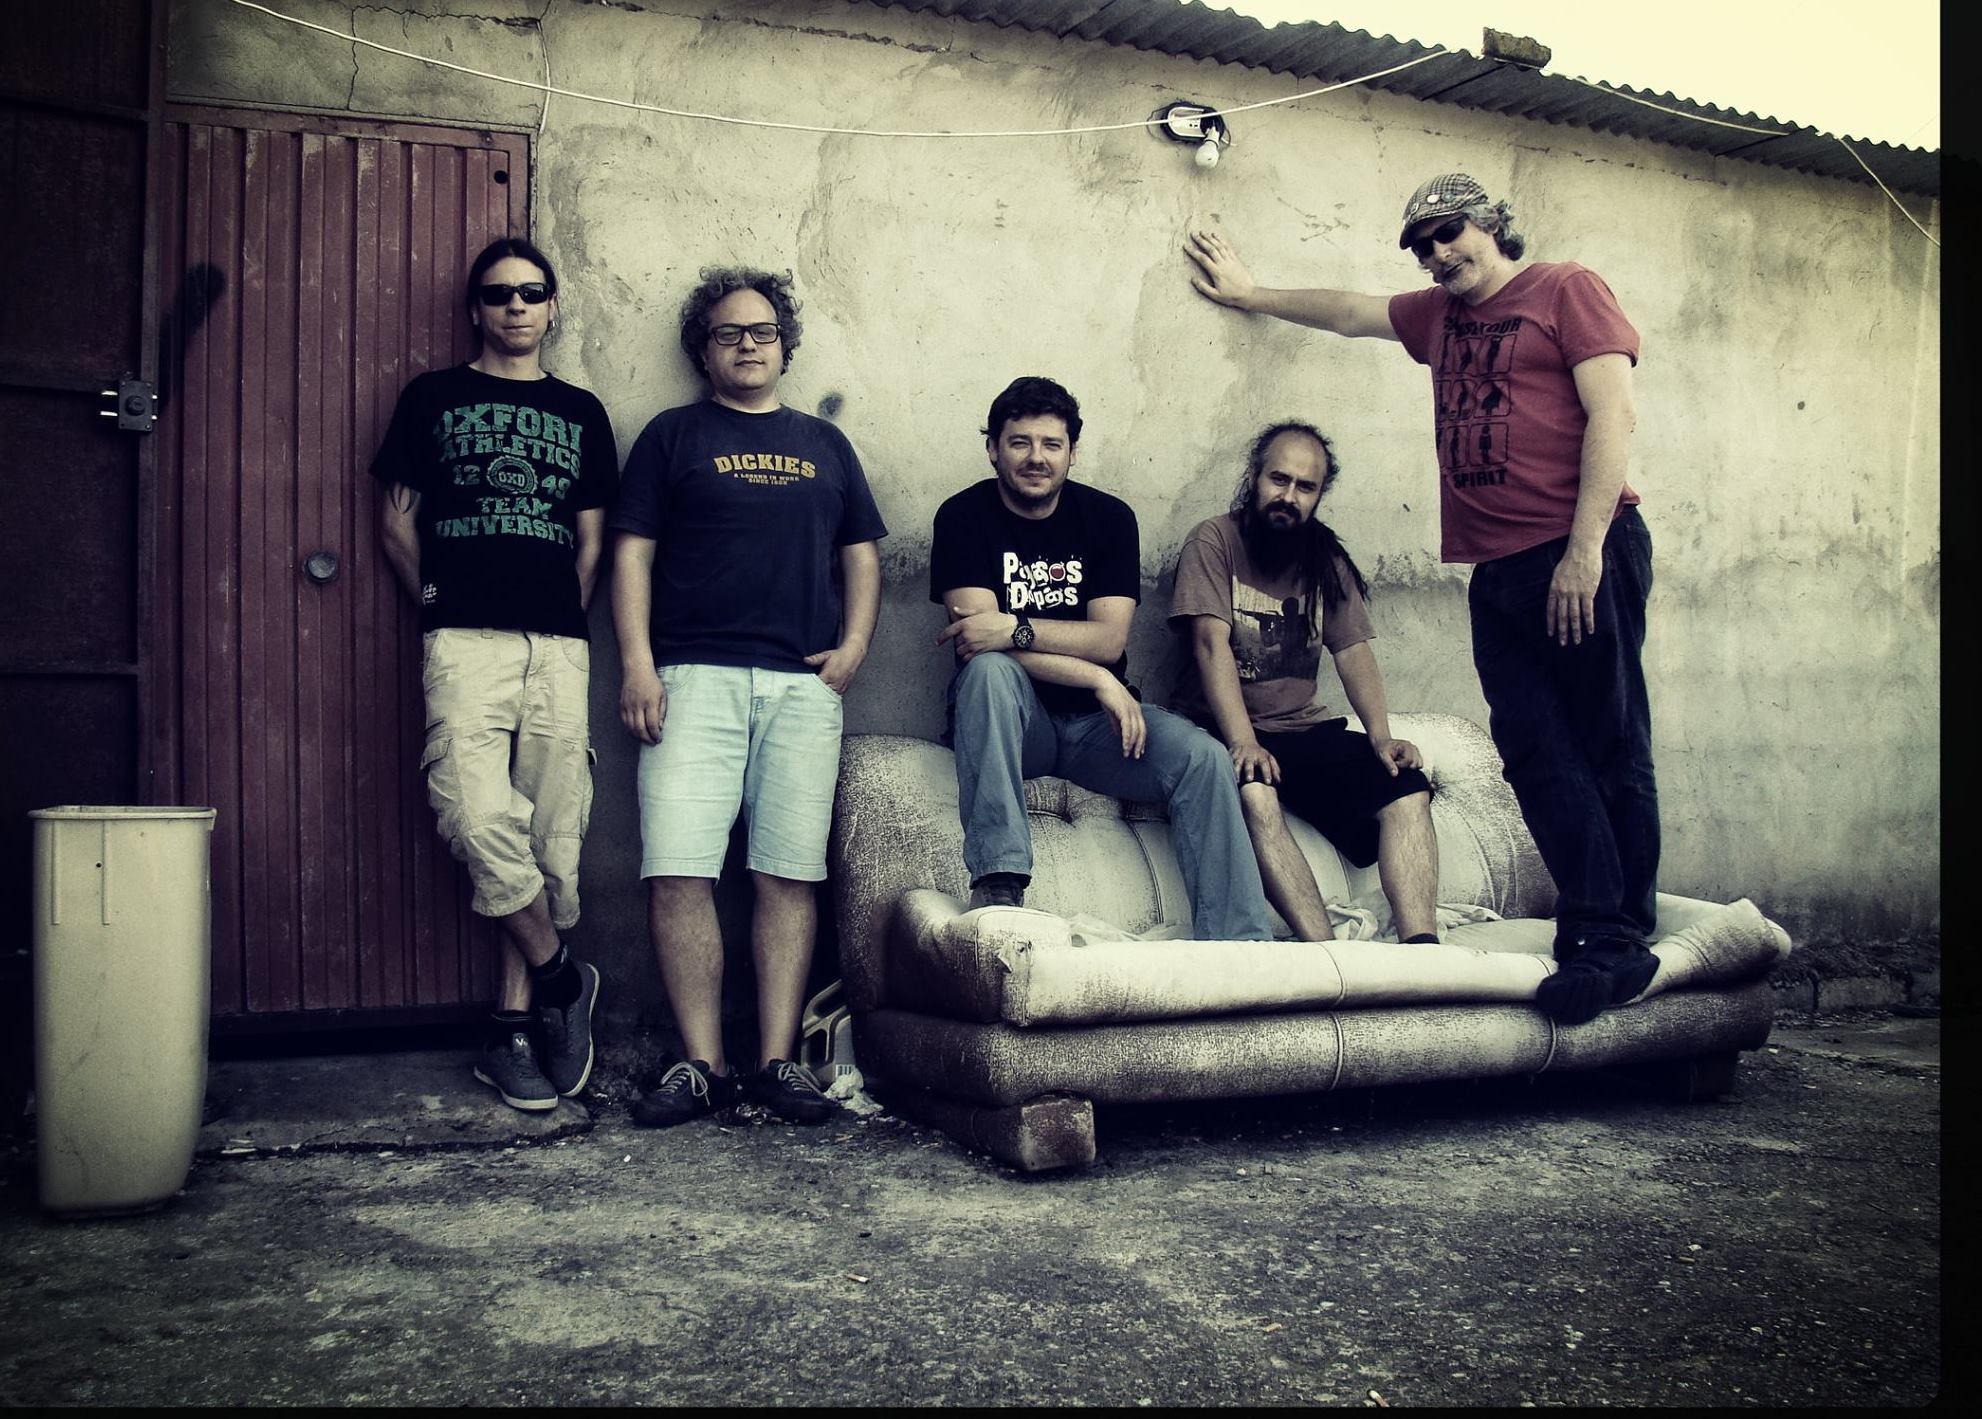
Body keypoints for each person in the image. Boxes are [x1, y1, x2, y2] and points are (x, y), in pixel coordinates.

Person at [1185, 172, 1660, 1023]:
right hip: (1497, 570)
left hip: (1577, 549)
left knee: (1607, 738)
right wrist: (1251, 293)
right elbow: (1349, 311)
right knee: (1535, 751)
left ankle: (1619, 932)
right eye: (1422, 246)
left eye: (1449, 233)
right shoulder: (1438, 317)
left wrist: (1585, 550)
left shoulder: (1566, 288)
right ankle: (1593, 926)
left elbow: (1613, 416)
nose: (1438, 254)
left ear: (1491, 223)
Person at [611, 267, 886, 1127]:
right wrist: (637, 663)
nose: (747, 345)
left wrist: (854, 648)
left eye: (762, 331)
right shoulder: (672, 435)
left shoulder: (825, 443)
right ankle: (703, 1065)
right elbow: (631, 552)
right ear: (704, 349)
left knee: (788, 872)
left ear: (784, 345)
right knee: (678, 868)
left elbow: (862, 553)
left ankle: (775, 1062)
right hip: (691, 679)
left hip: (802, 686)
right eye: (728, 333)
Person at [373, 237, 613, 1110]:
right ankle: (563, 978)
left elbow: (592, 540)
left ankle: (513, 1027)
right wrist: (441, 606)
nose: (516, 305)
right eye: (499, 293)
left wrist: (559, 610)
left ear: (552, 306)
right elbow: (396, 525)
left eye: (532, 292)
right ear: (476, 308)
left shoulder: (581, 411)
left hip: (557, 645)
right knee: (475, 815)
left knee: (549, 832)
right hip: (463, 640)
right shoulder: (432, 397)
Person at [930, 375, 1274, 941]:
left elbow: (1108, 640)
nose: (1036, 457)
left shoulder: (1108, 518)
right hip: (1017, 726)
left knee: (1204, 758)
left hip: (1100, 728)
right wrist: (1096, 676)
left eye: (1052, 444)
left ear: (1072, 452)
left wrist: (1019, 630)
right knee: (988, 671)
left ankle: (1239, 942)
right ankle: (998, 882)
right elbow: (977, 642)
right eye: (1019, 442)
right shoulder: (963, 516)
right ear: (993, 448)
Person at [1169, 421, 1440, 943]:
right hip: (1222, 728)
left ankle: (1423, 950)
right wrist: (1243, 741)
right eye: (1279, 479)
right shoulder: (1214, 540)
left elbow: (1353, 651)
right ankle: (1326, 954)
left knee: (1407, 789)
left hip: (1303, 730)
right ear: (1254, 477)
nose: (1288, 496)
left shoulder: (1326, 559)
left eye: (1305, 487)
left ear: (1318, 495)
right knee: (1255, 795)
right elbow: (1209, 644)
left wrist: (1381, 737)